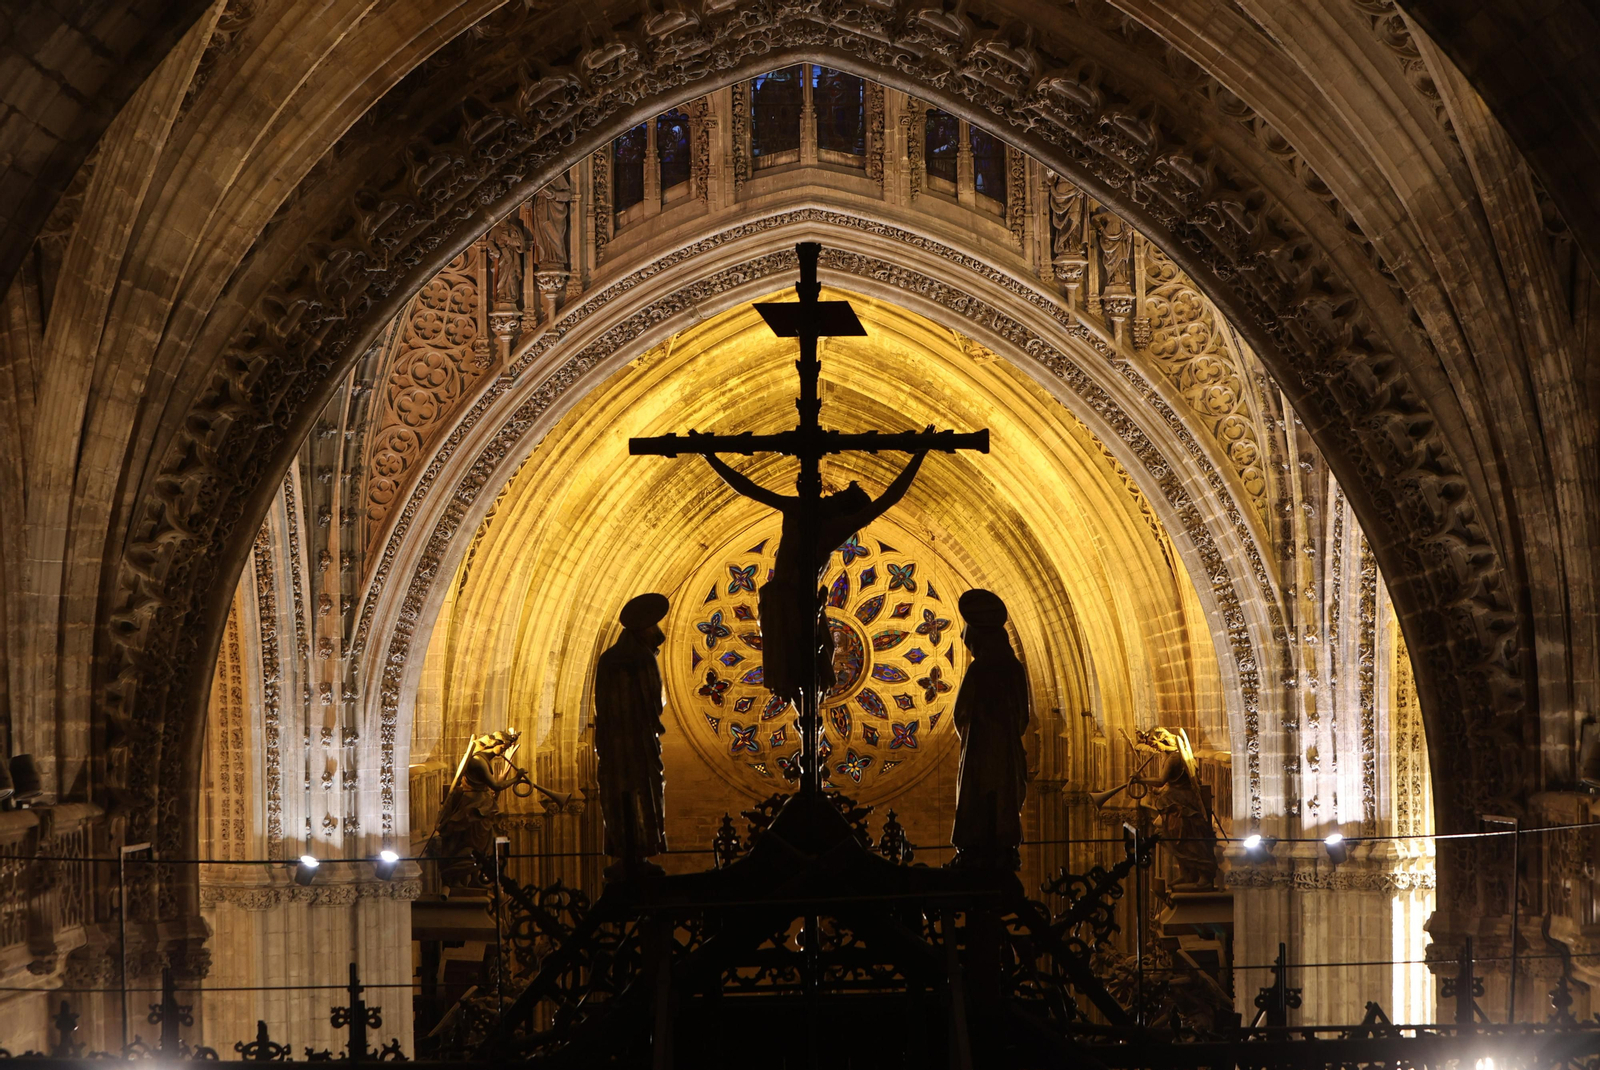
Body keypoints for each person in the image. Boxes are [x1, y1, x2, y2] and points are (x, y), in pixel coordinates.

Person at [702, 445, 928, 703]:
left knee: (808, 665)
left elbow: (747, 488)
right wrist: (919, 455)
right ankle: (808, 700)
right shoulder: (826, 527)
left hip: (787, 601)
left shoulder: (812, 517)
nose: (830, 496)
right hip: (792, 602)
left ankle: (807, 701)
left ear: (844, 510)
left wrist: (710, 457)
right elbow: (748, 489)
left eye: (839, 498)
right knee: (810, 667)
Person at [950, 589, 1030, 870]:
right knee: (1002, 803)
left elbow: (960, 714)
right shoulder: (1013, 667)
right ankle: (1003, 848)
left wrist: (978, 733)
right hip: (1006, 755)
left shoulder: (980, 670)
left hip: (979, 755)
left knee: (978, 802)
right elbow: (1023, 718)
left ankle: (974, 850)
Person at [594, 592, 671, 879]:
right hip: (639, 743)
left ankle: (624, 851)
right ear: (645, 630)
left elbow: (600, 705)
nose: (658, 635)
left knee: (617, 793)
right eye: (654, 627)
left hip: (612, 747)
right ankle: (640, 850)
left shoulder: (608, 659)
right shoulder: (642, 659)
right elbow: (654, 704)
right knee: (644, 790)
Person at [433, 729, 531, 887]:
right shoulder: (478, 761)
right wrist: (516, 778)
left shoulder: (485, 760)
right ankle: (456, 879)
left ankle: (475, 878)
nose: (504, 751)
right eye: (504, 747)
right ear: (495, 744)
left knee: (483, 845)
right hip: (473, 807)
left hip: (482, 805)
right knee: (471, 843)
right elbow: (496, 786)